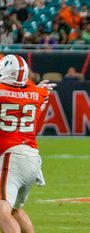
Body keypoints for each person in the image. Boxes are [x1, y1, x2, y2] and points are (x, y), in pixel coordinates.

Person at [0, 54, 56, 233]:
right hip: (32, 158)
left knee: (1, 210)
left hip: (12, 156)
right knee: (15, 209)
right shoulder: (38, 94)